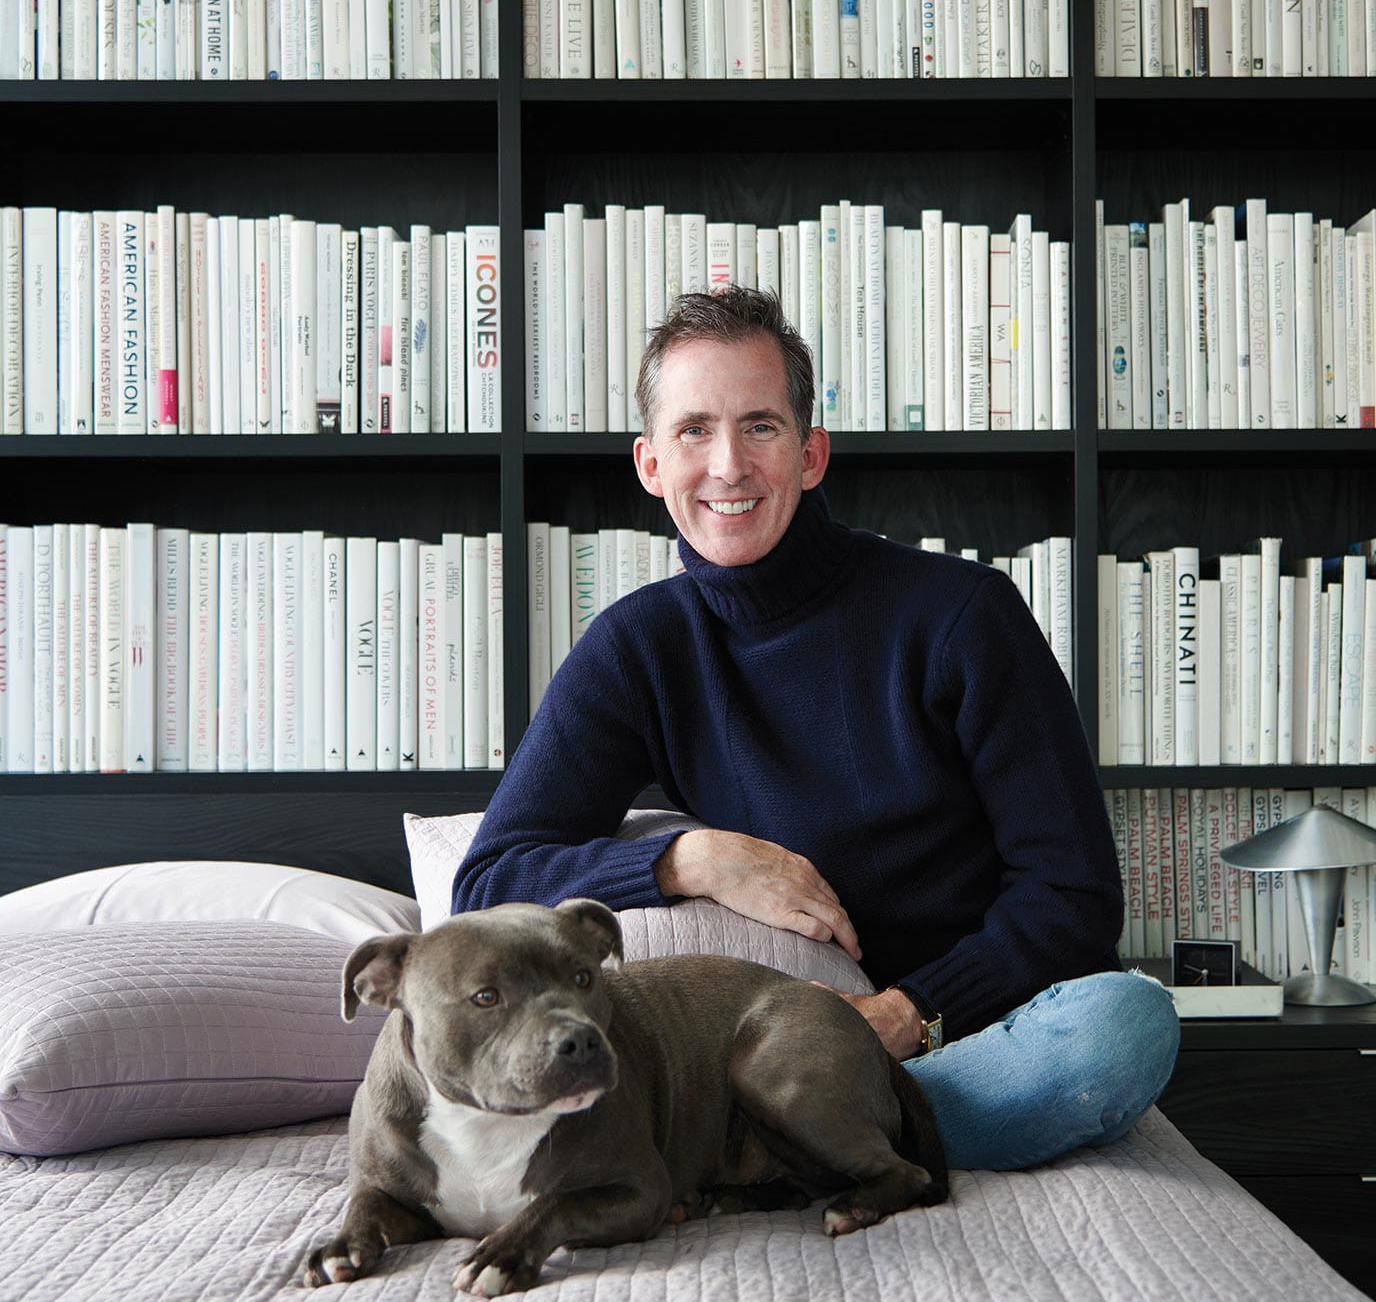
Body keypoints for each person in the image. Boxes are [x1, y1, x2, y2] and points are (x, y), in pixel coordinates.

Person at [452, 285, 1179, 1171]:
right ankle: (815, 1135)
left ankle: (792, 1143)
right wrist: (690, 861)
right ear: (650, 464)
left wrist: (903, 1016)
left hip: (978, 1034)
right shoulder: (637, 649)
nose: (728, 465)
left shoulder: (962, 615)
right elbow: (487, 884)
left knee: (1127, 1023)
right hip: (785, 1052)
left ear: (810, 454)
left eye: (759, 426)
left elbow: (1074, 895)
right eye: (694, 430)